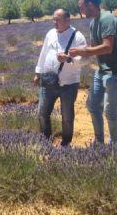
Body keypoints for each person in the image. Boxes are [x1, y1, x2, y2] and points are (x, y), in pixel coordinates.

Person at [69, 0, 117, 144]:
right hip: (102, 70)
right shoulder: (93, 23)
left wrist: (82, 51)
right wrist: (70, 57)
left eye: (81, 7)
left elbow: (107, 47)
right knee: (92, 105)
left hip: (115, 72)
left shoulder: (107, 19)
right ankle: (99, 142)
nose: (80, 11)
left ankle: (114, 146)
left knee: (110, 112)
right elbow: (91, 49)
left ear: (90, 5)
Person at [33, 8, 87, 146]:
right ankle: (46, 140)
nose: (54, 22)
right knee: (42, 113)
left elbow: (85, 59)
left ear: (67, 20)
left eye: (57, 19)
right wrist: (38, 72)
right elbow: (43, 53)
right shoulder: (50, 33)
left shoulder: (78, 37)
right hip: (48, 81)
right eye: (53, 19)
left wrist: (69, 59)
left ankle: (66, 143)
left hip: (68, 84)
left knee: (67, 117)